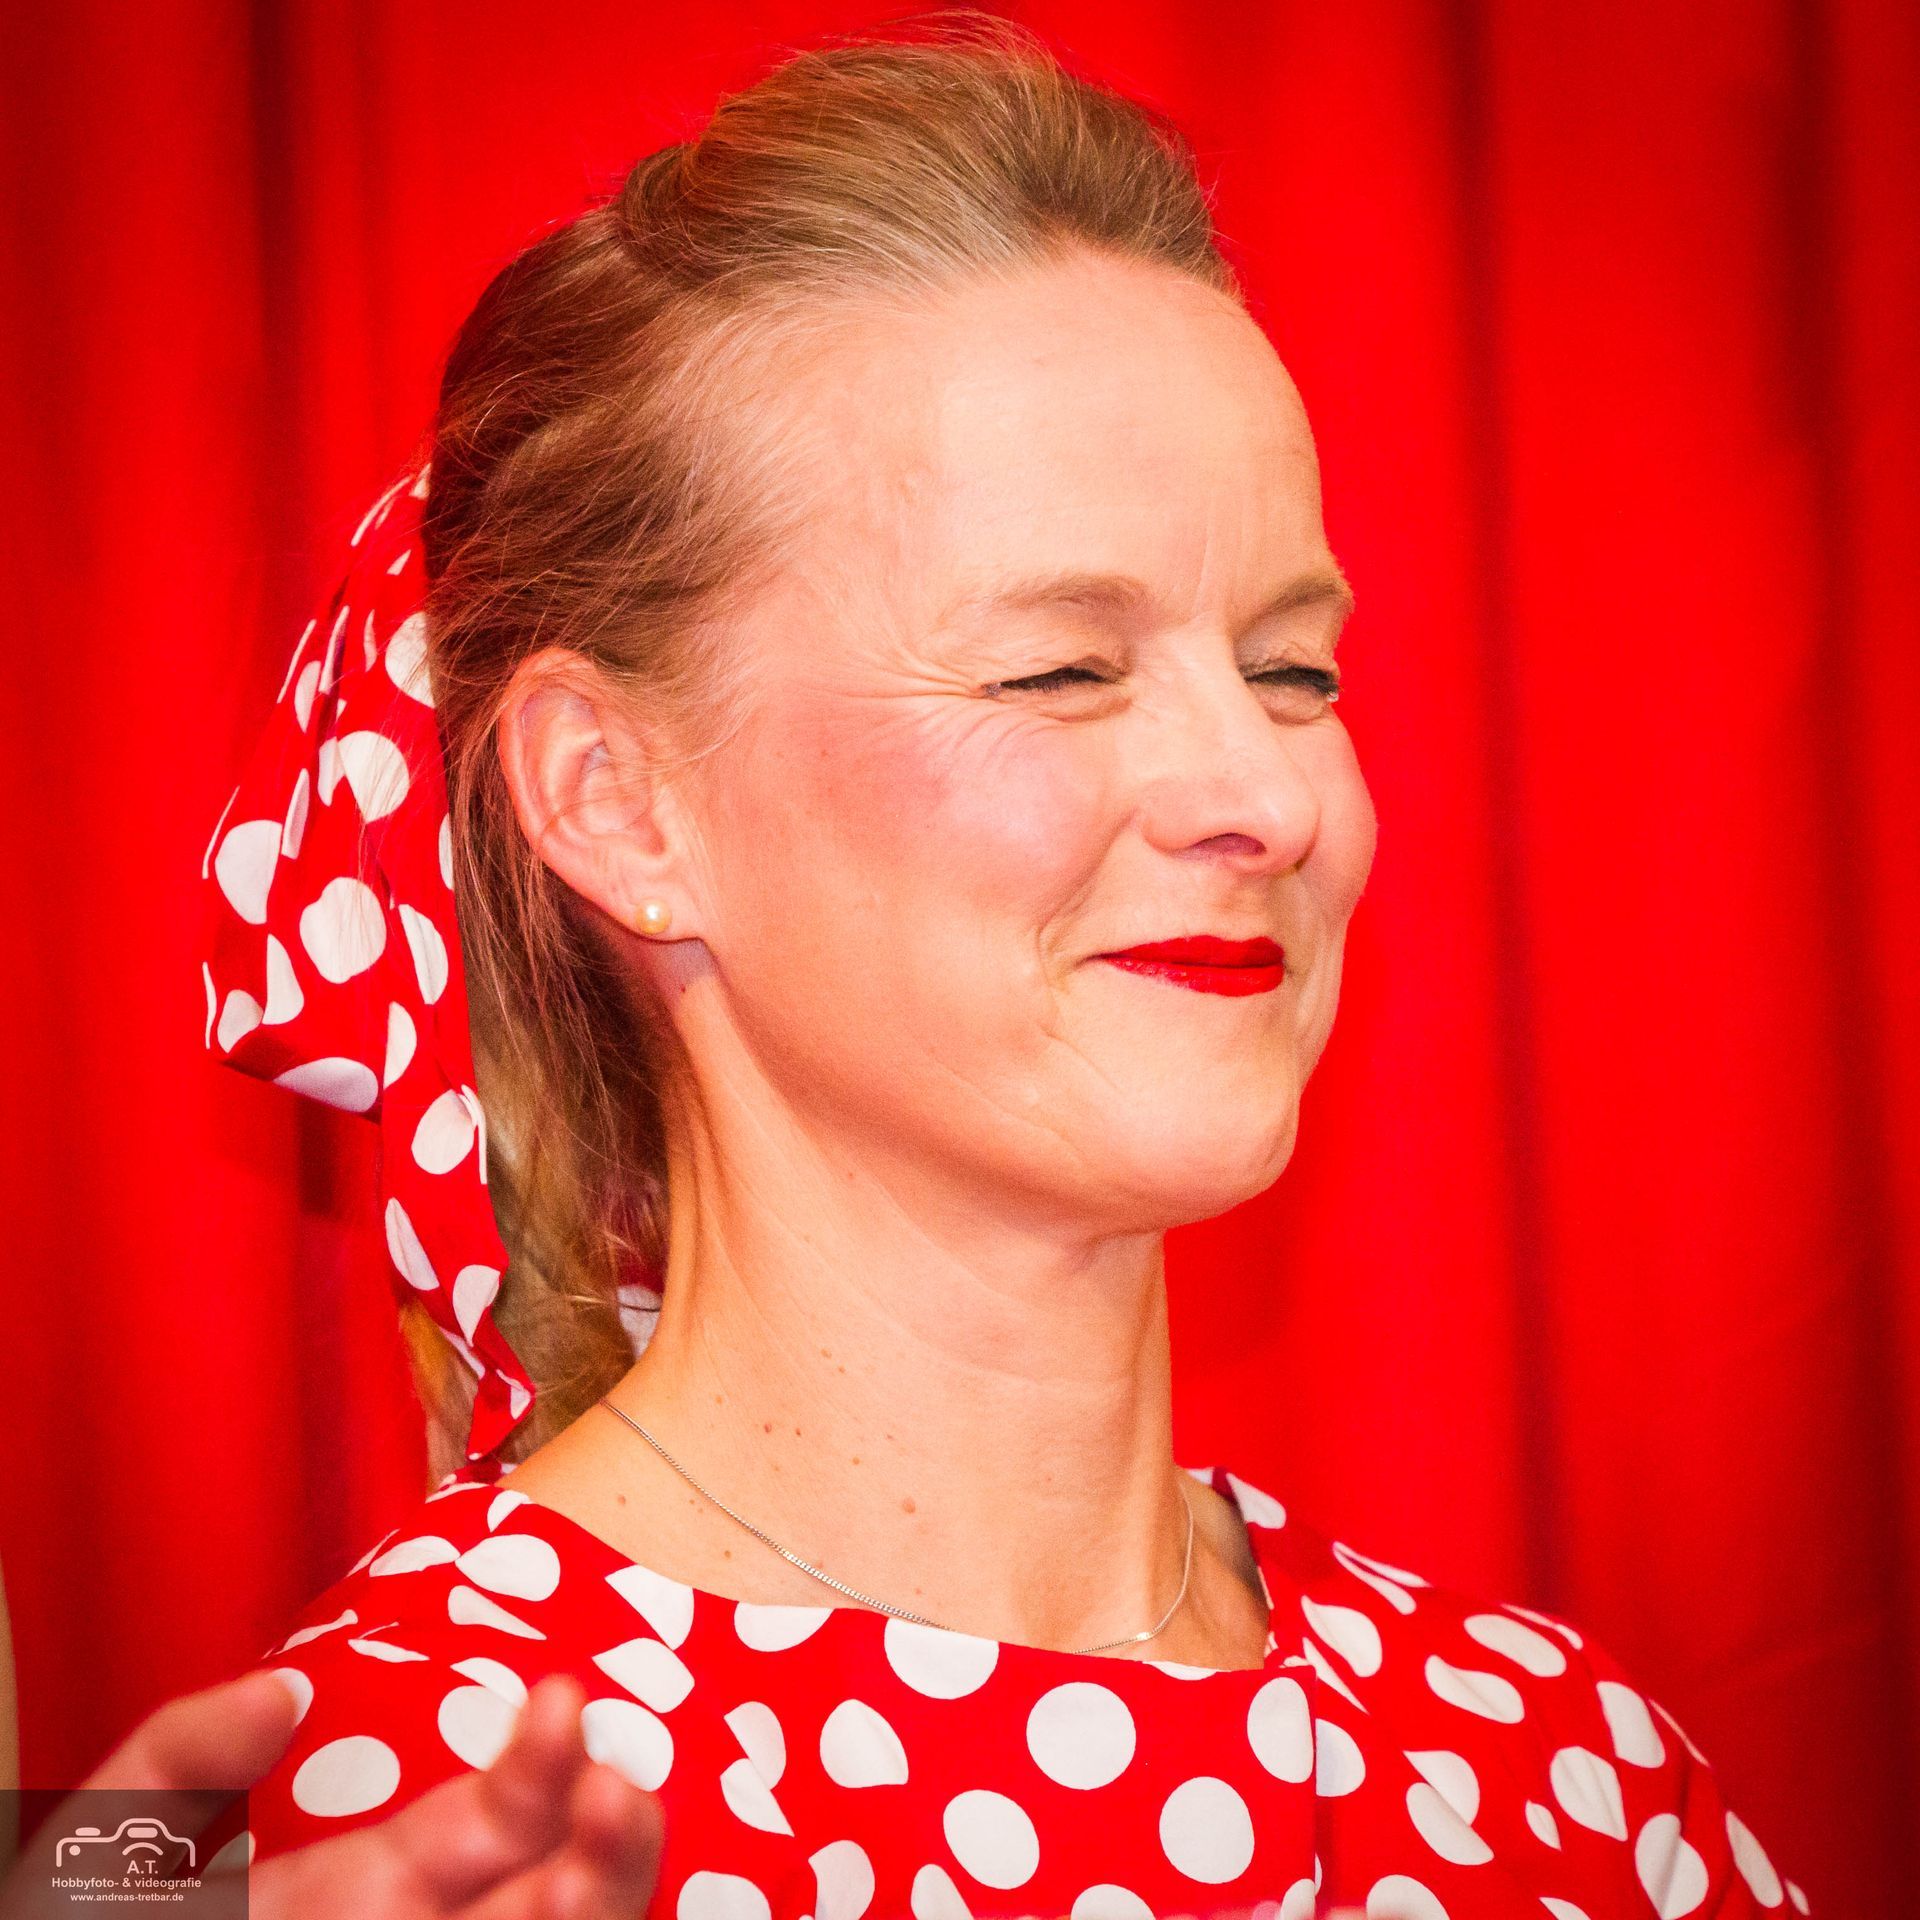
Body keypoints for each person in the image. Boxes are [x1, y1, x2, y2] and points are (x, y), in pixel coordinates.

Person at [192, 17, 1810, 1918]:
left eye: (1293, 667)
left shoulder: (1569, 1777)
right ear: (617, 800)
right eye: (1061, 668)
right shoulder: (356, 1823)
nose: (1263, 796)